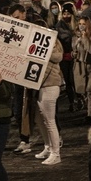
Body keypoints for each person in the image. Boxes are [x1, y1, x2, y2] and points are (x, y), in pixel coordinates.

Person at [34, 30, 64, 165]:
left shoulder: (51, 47)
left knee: (50, 121)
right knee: (44, 120)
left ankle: (56, 153)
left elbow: (57, 57)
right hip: (42, 86)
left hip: (50, 85)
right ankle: (49, 147)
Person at [73, 16, 91, 119]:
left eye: (84, 24)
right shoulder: (75, 37)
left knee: (90, 90)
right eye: (80, 24)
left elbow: (90, 50)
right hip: (79, 66)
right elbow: (74, 50)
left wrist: (85, 38)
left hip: (90, 65)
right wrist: (74, 53)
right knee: (83, 90)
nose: (81, 26)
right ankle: (88, 108)